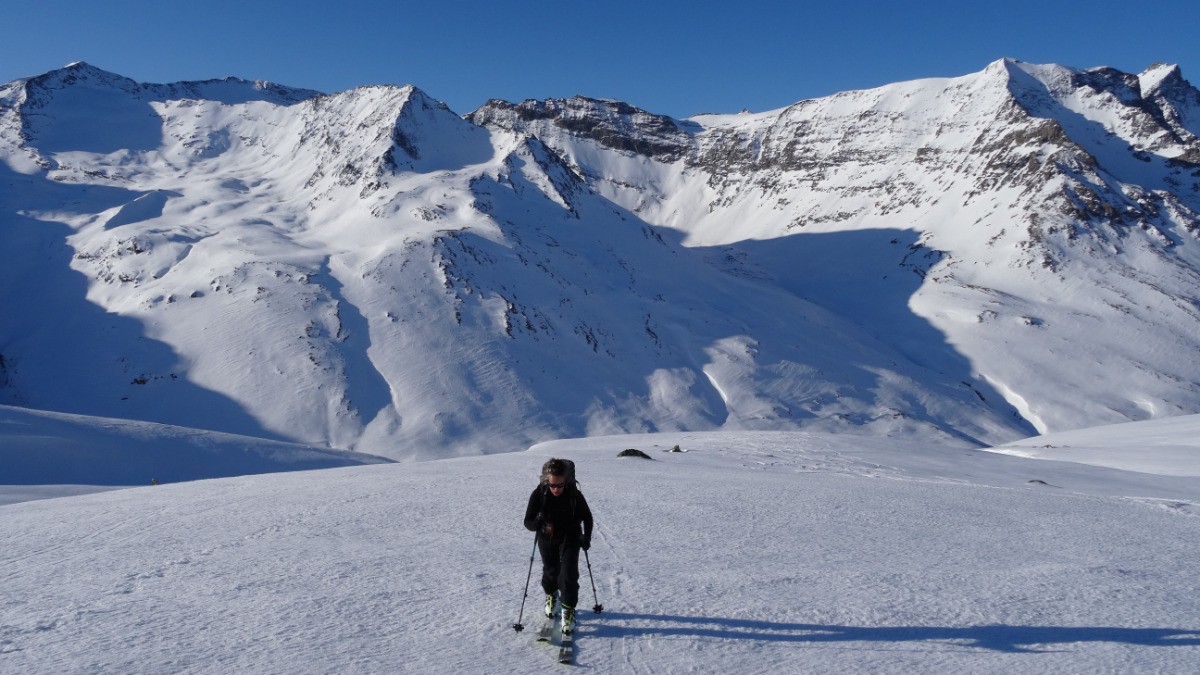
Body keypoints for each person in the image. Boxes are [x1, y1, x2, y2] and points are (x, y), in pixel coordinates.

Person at [523, 458, 593, 635]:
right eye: (552, 485)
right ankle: (552, 596)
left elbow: (588, 518)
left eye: (560, 485)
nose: (556, 489)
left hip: (570, 536)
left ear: (566, 481)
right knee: (551, 570)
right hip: (547, 537)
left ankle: (568, 609)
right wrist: (536, 524)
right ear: (547, 481)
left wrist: (586, 537)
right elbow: (527, 521)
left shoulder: (574, 494)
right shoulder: (539, 493)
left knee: (569, 573)